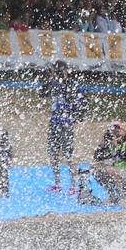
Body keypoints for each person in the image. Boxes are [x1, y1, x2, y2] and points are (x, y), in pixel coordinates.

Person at [40, 61, 86, 193]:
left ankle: (73, 185)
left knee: (69, 155)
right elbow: (42, 93)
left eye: (57, 71)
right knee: (53, 155)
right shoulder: (53, 84)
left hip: (67, 124)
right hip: (54, 123)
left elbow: (81, 103)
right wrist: (51, 81)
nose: (56, 74)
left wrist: (76, 116)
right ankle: (57, 184)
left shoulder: (73, 85)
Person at [85, 120, 126, 205]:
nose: (116, 133)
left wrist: (118, 148)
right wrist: (104, 143)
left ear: (124, 130)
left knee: (111, 170)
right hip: (122, 173)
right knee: (98, 170)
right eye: (114, 130)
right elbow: (97, 156)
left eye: (118, 130)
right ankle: (113, 196)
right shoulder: (111, 141)